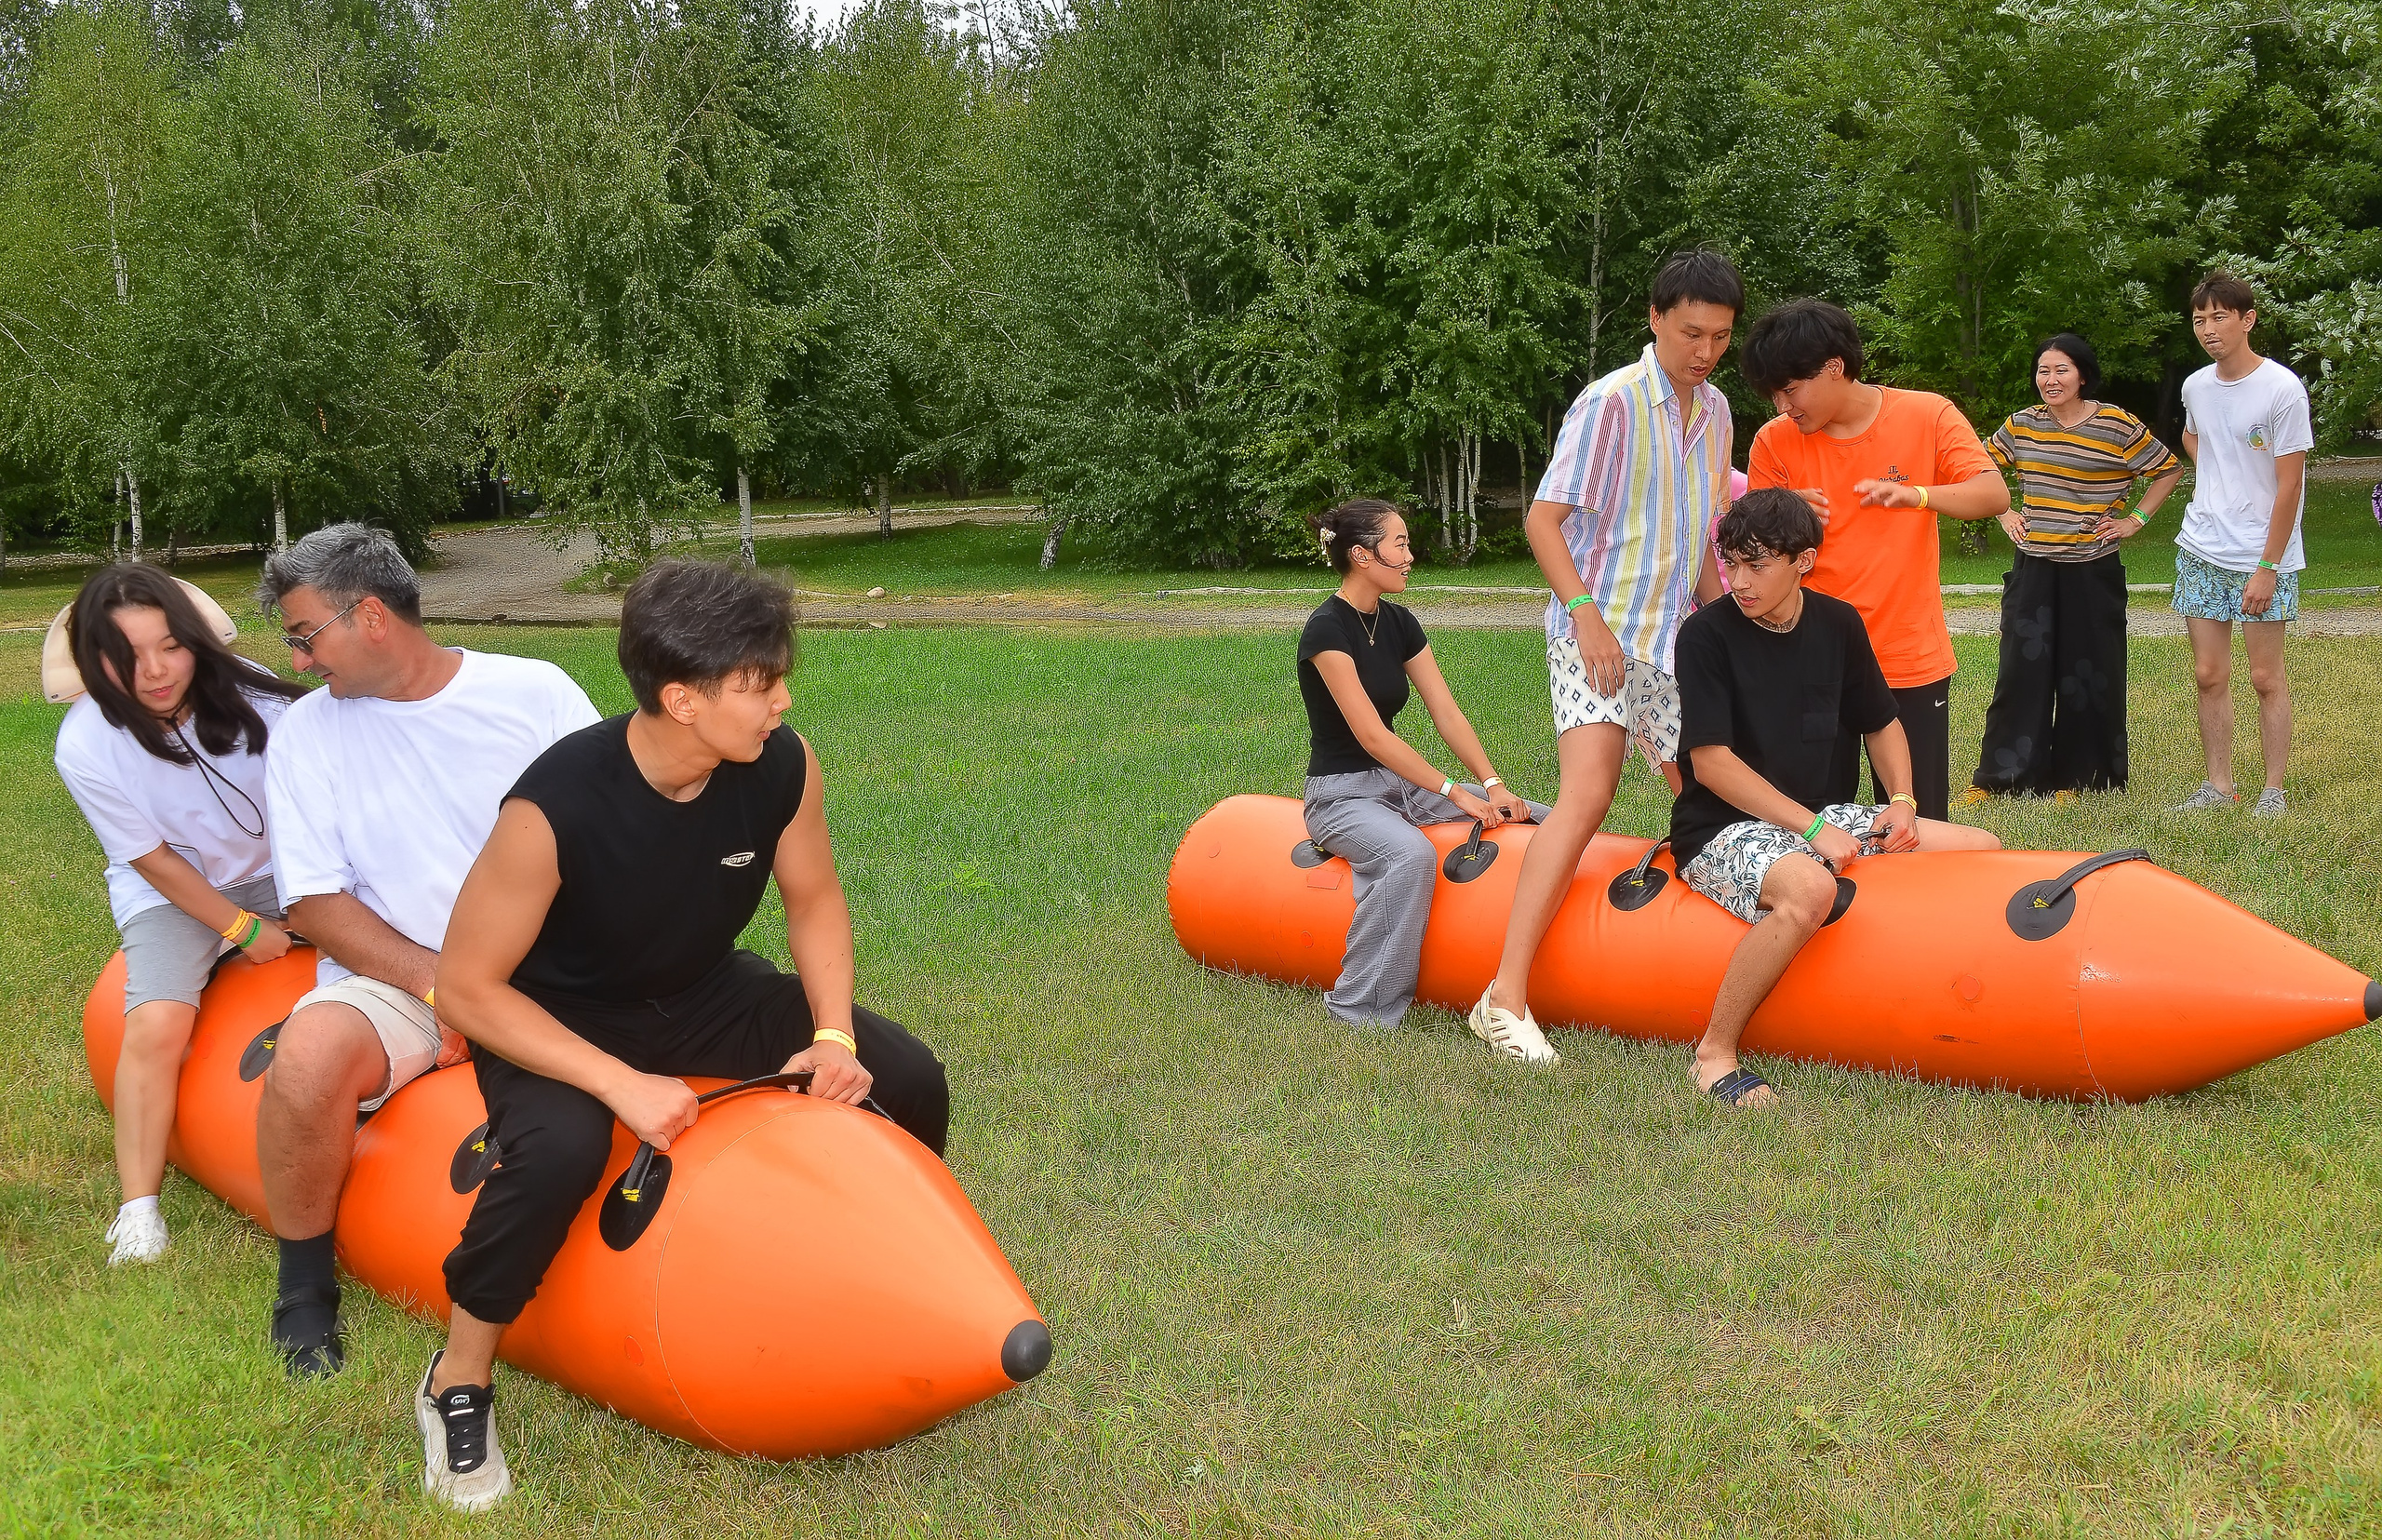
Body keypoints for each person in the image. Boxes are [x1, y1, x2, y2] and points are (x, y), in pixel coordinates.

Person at [418, 560, 951, 1510]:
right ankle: (457, 1377)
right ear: (682, 699)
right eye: (760, 683)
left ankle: (888, 1281)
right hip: (559, 1015)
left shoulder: (782, 763)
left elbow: (814, 900)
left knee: (906, 1072)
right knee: (560, 1151)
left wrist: (832, 1033)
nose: (783, 700)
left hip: (701, 991)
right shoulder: (554, 806)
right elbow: (465, 986)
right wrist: (616, 1081)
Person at [257, 524, 598, 1376]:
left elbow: (613, 836)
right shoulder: (306, 733)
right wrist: (444, 988)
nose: (298, 661)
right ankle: (304, 1284)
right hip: (402, 971)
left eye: (305, 636)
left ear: (371, 617)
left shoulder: (536, 693)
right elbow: (314, 902)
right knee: (307, 1053)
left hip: (553, 966)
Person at [1473, 249, 1740, 1054]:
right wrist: (1586, 617)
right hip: (1595, 634)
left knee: (1710, 794)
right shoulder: (1610, 403)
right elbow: (1542, 521)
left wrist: (1728, 625)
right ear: (1655, 320)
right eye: (1690, 332)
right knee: (1587, 795)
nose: (1704, 351)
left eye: (1720, 336)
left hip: (1673, 640)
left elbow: (1699, 539)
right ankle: (1504, 997)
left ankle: (1717, 968)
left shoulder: (1718, 412)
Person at [1670, 489, 2003, 1107]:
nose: (1739, 581)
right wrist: (1812, 830)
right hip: (1722, 828)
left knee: (1980, 848)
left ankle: (1956, 1002)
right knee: (1810, 890)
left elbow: (1882, 722)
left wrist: (1902, 800)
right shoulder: (1704, 635)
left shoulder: (1838, 623)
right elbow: (1711, 765)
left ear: (1804, 560)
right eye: (1731, 563)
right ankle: (1715, 1052)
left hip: (1823, 817)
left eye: (1757, 565)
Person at [50, 566, 308, 1265]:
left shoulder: (255, 692)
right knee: (157, 1022)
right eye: (128, 655)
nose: (157, 671)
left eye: (170, 646)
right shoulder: (85, 741)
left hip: (290, 868)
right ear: (94, 660)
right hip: (174, 891)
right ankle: (138, 1209)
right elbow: (153, 859)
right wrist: (241, 929)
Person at [1742, 299, 2011, 820]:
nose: (1782, 406)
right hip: (1808, 658)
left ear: (1833, 367)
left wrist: (1918, 496)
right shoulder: (1774, 442)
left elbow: (1992, 493)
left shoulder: (1927, 414)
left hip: (1907, 653)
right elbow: (1753, 548)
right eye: (1773, 394)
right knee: (1812, 821)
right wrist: (1783, 511)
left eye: (1789, 389)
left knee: (1918, 819)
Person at [1295, 499, 1545, 1053]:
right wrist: (1453, 791)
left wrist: (1493, 784)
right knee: (1408, 856)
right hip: (1340, 797)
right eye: (1400, 545)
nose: (1410, 556)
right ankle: (1358, 1011)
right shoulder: (1326, 630)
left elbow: (1446, 712)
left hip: (1398, 788)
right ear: (1363, 556)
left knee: (1534, 816)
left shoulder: (1399, 622)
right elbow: (1373, 737)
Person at [1968, 333, 2183, 799]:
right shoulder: (2021, 425)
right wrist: (2003, 511)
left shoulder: (2116, 425)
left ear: (2082, 375)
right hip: (2033, 566)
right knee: (2020, 673)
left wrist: (2135, 520)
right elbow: (1974, 466)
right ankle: (2004, 779)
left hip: (2092, 567)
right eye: (2043, 371)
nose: (2050, 379)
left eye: (2061, 370)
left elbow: (2169, 469)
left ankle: (2084, 779)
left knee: (2089, 672)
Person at [2169, 271, 2313, 817]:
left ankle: (2273, 790)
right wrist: (2217, 474)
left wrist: (2268, 566)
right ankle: (2219, 785)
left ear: (2247, 319)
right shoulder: (2196, 386)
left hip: (2261, 555)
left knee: (2265, 677)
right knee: (2209, 675)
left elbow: (2290, 485)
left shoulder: (2282, 389)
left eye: (2219, 317)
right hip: (2202, 546)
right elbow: (2193, 435)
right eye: (2199, 320)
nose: (2208, 329)